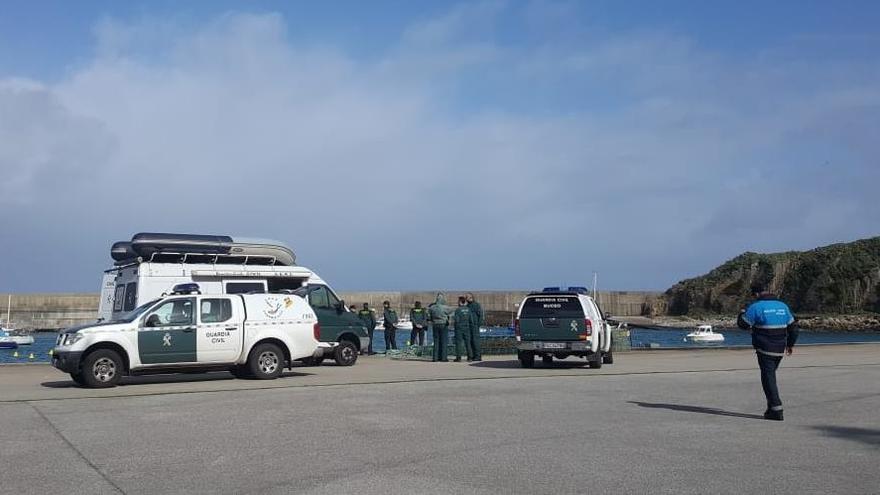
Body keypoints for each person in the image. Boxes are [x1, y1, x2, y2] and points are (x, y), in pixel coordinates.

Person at [737, 283, 799, 421]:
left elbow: (743, 325)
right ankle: (772, 407)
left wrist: (741, 313)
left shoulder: (755, 307)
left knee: (768, 378)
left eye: (753, 295)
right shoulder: (783, 306)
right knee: (771, 375)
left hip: (765, 348)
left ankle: (776, 409)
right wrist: (790, 345)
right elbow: (794, 328)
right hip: (780, 348)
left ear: (756, 294)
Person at [428, 293, 452, 362]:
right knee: (444, 341)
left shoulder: (432, 308)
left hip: (435, 325)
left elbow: (429, 314)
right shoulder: (445, 307)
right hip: (443, 325)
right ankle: (443, 358)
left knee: (436, 342)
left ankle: (435, 358)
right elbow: (451, 311)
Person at [453, 296, 477, 362]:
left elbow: (456, 320)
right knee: (468, 343)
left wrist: (456, 327)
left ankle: (458, 357)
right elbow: (471, 320)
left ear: (460, 302)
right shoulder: (468, 309)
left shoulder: (458, 310)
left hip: (459, 329)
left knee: (458, 343)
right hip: (467, 328)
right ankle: (470, 357)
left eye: (458, 301)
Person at [466, 292, 483, 361]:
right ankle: (472, 355)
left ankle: (478, 356)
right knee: (470, 341)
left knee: (476, 341)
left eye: (467, 297)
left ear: (471, 297)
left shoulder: (476, 305)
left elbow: (480, 315)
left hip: (475, 325)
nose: (466, 298)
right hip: (469, 326)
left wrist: (478, 324)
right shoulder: (467, 306)